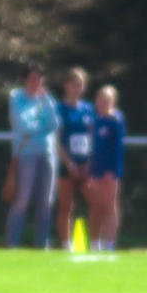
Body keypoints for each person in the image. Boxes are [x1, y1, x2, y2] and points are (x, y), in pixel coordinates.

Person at [5, 63, 60, 248]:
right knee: (22, 199)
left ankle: (42, 244)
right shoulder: (16, 97)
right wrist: (41, 128)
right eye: (32, 78)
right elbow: (22, 125)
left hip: (47, 153)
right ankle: (12, 243)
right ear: (25, 79)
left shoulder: (46, 99)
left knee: (46, 201)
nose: (36, 82)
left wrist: (45, 106)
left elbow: (54, 124)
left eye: (39, 78)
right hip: (26, 154)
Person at [53, 67, 95, 249]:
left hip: (86, 163)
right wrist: (69, 163)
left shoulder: (88, 109)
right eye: (73, 84)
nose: (76, 88)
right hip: (66, 163)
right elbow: (57, 138)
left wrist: (88, 162)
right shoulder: (59, 109)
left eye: (80, 85)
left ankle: (96, 241)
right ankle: (66, 243)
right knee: (66, 205)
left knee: (95, 202)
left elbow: (94, 137)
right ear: (66, 86)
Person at [85, 86, 126, 251]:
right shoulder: (93, 122)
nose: (103, 103)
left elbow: (117, 149)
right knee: (95, 206)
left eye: (107, 100)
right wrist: (90, 172)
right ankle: (95, 243)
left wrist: (112, 171)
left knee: (109, 205)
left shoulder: (115, 121)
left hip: (109, 171)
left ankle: (109, 243)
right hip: (95, 171)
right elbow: (90, 149)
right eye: (100, 99)